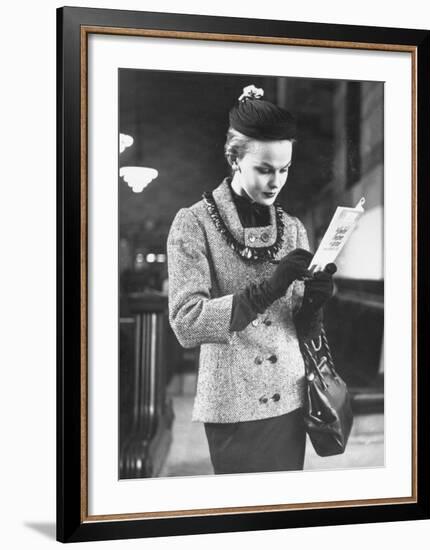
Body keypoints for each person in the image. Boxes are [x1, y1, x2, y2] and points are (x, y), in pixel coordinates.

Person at [167, 84, 336, 475]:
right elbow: (186, 322)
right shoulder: (192, 224)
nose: (276, 181)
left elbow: (301, 329)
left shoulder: (292, 228)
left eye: (284, 169)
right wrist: (269, 287)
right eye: (264, 169)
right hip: (232, 404)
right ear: (234, 159)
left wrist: (315, 301)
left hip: (290, 399)